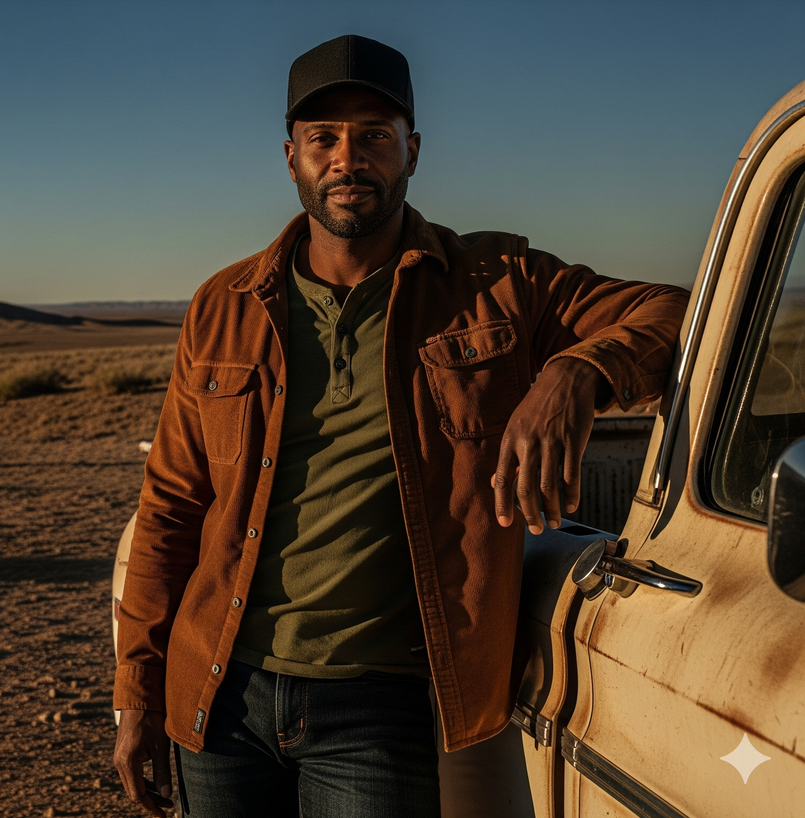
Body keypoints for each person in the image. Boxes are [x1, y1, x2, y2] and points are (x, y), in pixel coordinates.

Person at [111, 34, 687, 817]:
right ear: (292, 159)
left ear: (411, 151)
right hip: (221, 690)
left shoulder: (497, 283)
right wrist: (137, 697)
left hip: (379, 706)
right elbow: (172, 508)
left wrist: (575, 372)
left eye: (374, 135)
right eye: (325, 139)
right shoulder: (225, 306)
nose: (349, 158)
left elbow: (677, 311)